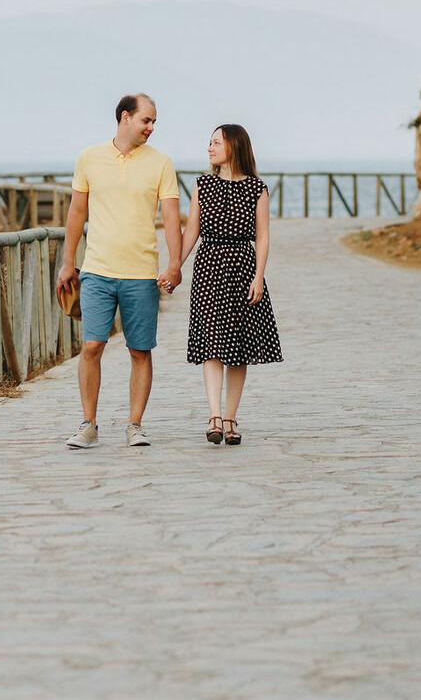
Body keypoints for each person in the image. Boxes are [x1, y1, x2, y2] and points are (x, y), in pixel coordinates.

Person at [55, 93, 183, 448]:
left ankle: (135, 425)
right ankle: (88, 424)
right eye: (147, 120)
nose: (151, 128)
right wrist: (68, 262)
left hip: (142, 273)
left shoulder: (161, 163)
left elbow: (172, 216)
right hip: (96, 271)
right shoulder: (89, 158)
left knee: (140, 350)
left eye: (154, 122)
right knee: (92, 345)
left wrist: (174, 264)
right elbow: (76, 213)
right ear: (125, 117)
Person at [179, 124, 283, 445]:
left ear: (233, 147)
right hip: (209, 266)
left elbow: (263, 237)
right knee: (212, 341)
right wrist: (174, 268)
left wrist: (259, 277)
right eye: (209, 143)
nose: (208, 148)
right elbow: (191, 231)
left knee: (238, 348)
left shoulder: (257, 188)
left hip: (243, 266)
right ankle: (213, 416)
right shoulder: (203, 185)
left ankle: (230, 418)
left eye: (215, 143)